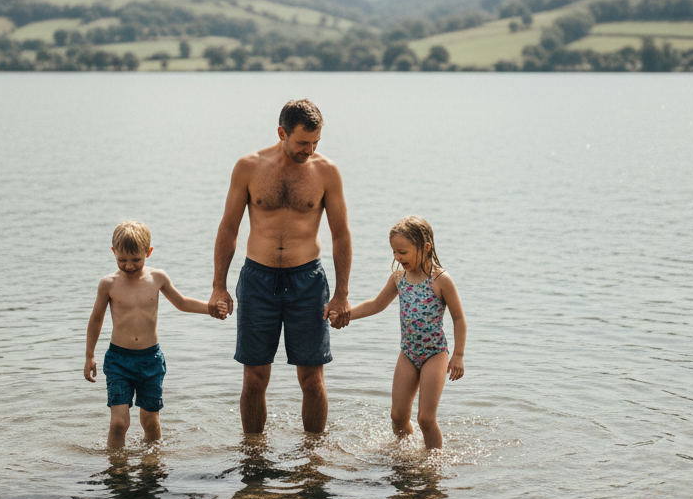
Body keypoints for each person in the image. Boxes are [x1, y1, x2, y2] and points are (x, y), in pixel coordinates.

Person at [209, 98, 352, 434]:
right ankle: (253, 457)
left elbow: (341, 234)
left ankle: (313, 460)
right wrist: (219, 285)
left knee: (312, 379)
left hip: (308, 281)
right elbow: (228, 228)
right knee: (255, 378)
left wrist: (342, 293)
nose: (310, 149)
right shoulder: (249, 166)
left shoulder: (326, 171)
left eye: (316, 142)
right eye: (303, 142)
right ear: (281, 133)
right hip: (258, 279)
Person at [85, 221, 209, 449]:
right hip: (118, 361)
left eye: (136, 260)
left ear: (148, 253)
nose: (129, 266)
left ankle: (151, 465)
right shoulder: (108, 284)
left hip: (150, 360)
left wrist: (209, 308)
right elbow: (96, 320)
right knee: (119, 423)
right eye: (122, 260)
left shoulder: (157, 278)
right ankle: (117, 471)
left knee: (150, 422)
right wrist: (89, 355)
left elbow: (181, 302)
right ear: (113, 253)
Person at [348, 216, 466, 449]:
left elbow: (459, 318)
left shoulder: (441, 280)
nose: (397, 258)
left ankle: (433, 464)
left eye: (402, 252)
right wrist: (346, 314)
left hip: (435, 354)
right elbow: (376, 304)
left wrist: (459, 355)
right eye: (394, 252)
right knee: (398, 416)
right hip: (408, 353)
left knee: (425, 418)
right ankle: (405, 453)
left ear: (425, 248)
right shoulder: (399, 278)